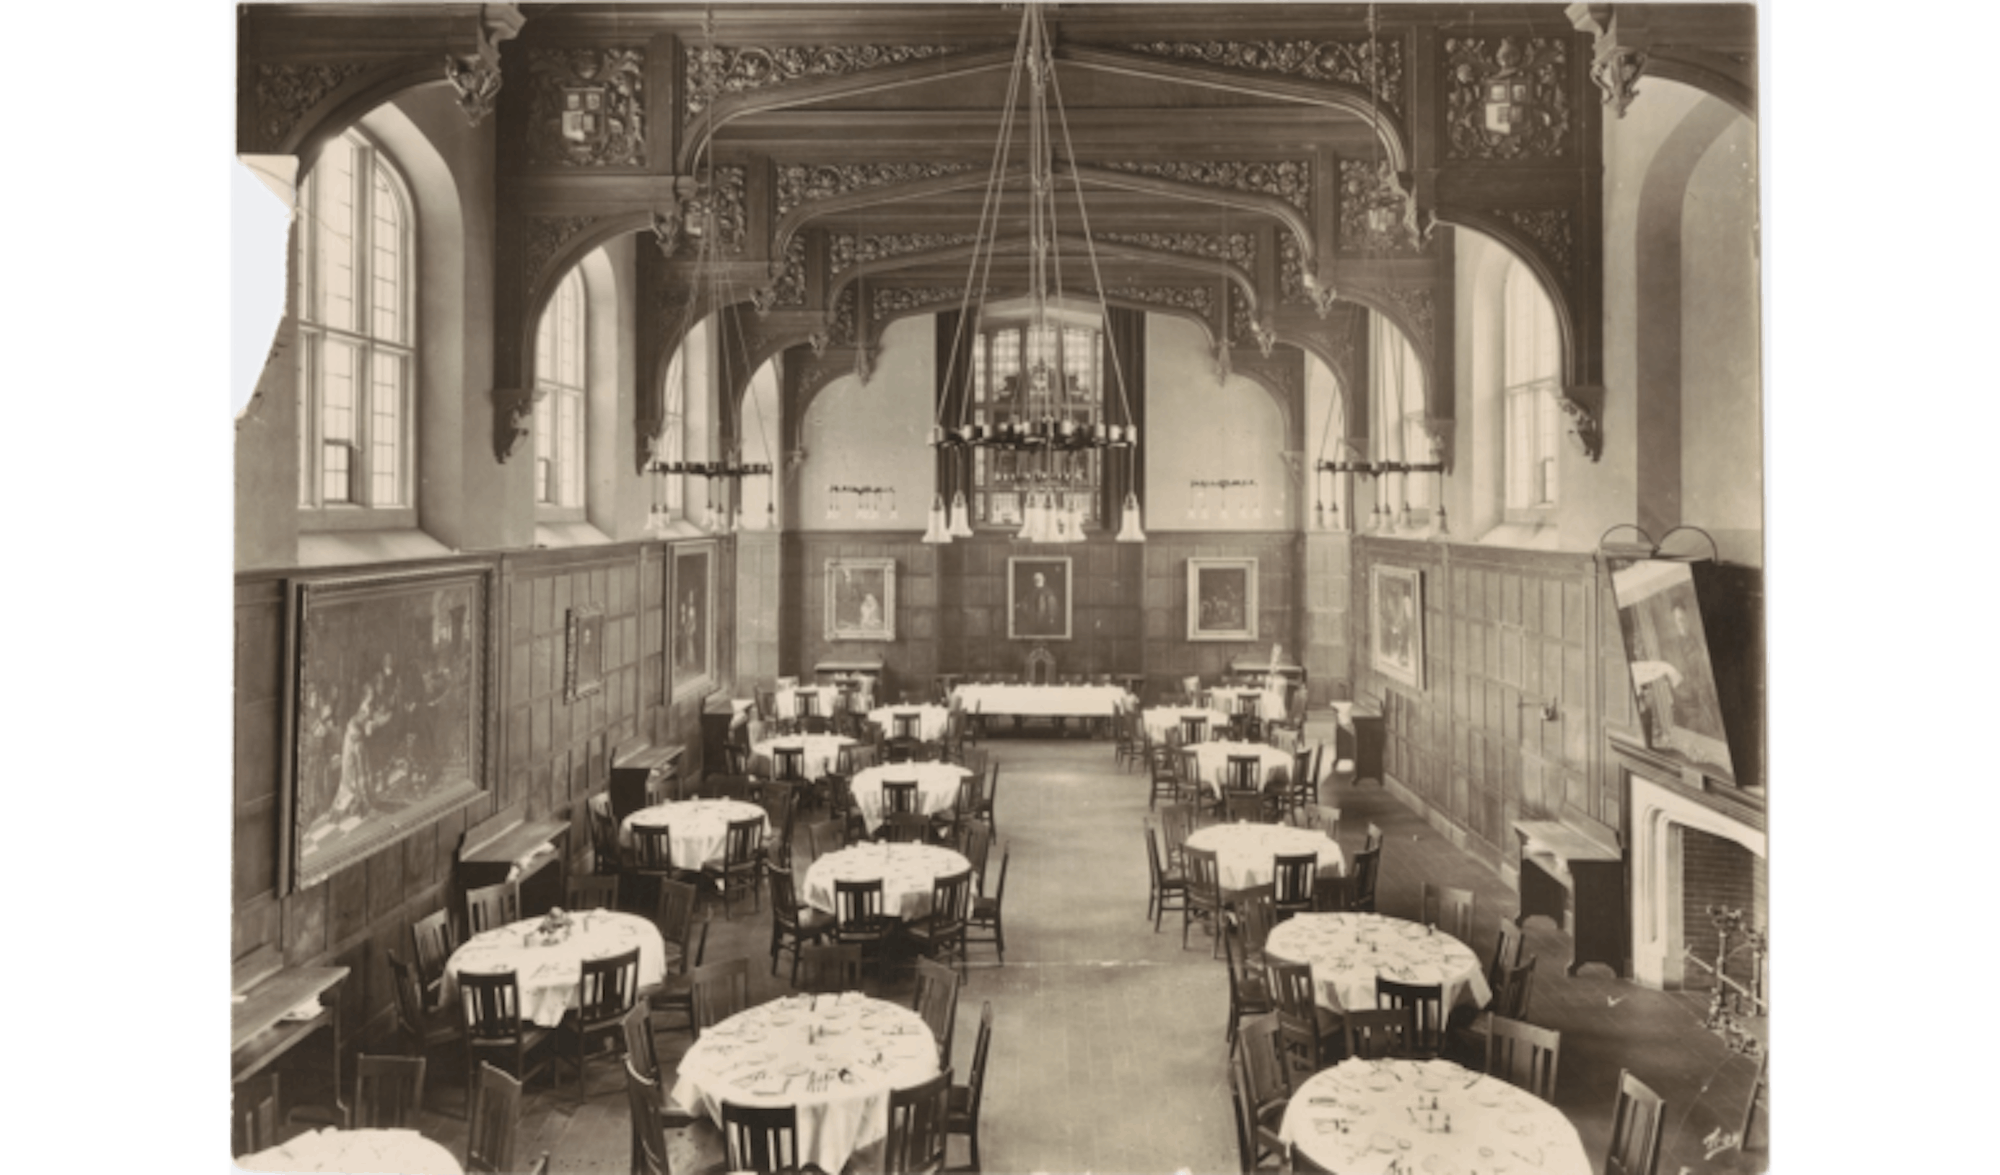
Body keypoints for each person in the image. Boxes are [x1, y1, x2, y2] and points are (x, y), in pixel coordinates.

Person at [1019, 571, 1061, 635]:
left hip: (1045, 620)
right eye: (1035, 579)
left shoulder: (1049, 592)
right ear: (1033, 580)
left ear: (1044, 579)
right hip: (1031, 620)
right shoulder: (1029, 591)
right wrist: (1023, 607)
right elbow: (1024, 603)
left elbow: (1053, 607)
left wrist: (1051, 617)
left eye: (1039, 578)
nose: (1037, 580)